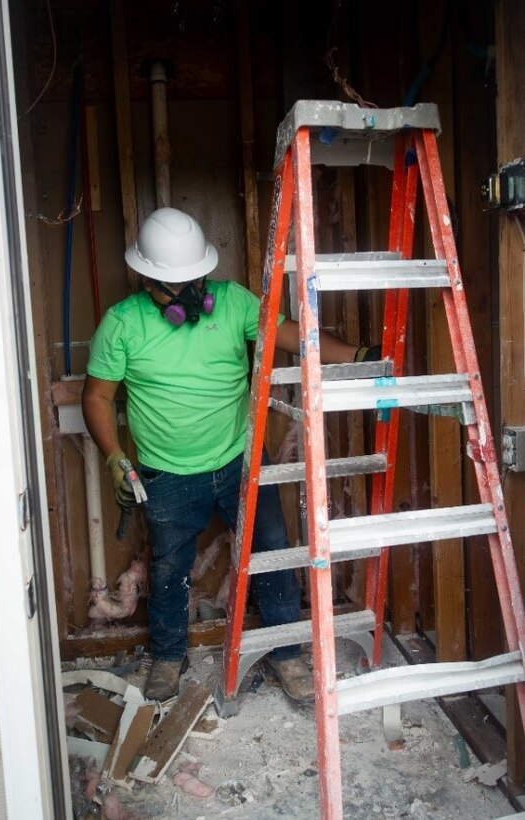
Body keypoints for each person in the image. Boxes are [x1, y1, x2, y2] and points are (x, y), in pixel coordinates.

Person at [82, 207, 379, 705]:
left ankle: (286, 654)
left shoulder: (235, 302)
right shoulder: (122, 323)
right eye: (168, 287)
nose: (181, 296)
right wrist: (114, 455)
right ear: (146, 278)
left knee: (271, 553)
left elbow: (288, 333)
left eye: (190, 283)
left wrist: (353, 356)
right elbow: (96, 397)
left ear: (203, 274)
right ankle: (169, 654)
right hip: (167, 473)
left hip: (240, 459)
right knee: (168, 567)